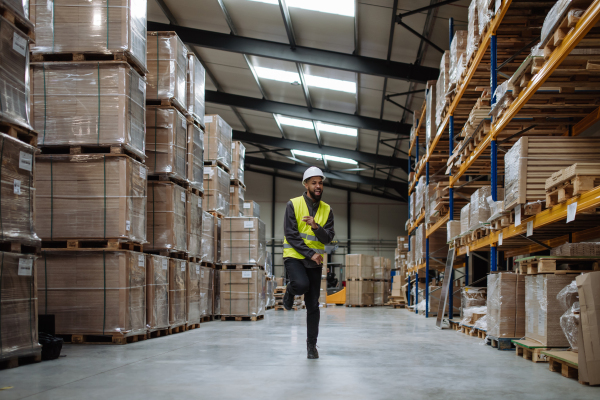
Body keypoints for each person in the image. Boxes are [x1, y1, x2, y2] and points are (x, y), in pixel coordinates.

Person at [282, 166, 335, 359]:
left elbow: (328, 238)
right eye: (314, 183)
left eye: (320, 182)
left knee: (313, 304)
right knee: (300, 284)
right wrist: (309, 253)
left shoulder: (327, 210)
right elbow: (291, 234)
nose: (318, 186)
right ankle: (290, 290)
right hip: (295, 255)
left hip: (314, 261)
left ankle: (311, 346)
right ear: (306, 185)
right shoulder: (293, 204)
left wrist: (316, 226)